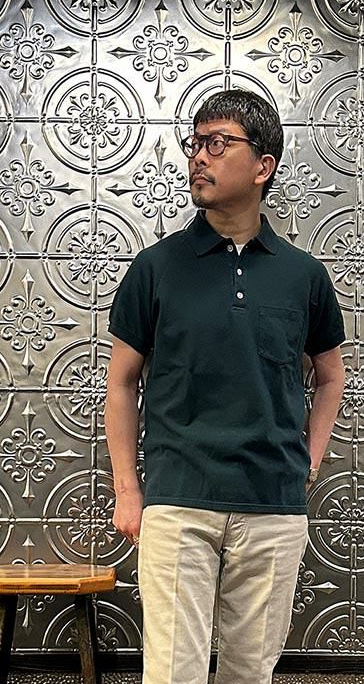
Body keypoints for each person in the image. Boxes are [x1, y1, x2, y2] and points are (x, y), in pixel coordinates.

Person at [105, 89, 345, 684]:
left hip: (272, 504)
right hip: (178, 499)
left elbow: (331, 376)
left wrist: (310, 462)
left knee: (250, 671)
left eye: (218, 144)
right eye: (195, 143)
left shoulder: (304, 275)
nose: (198, 157)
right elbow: (121, 384)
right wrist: (128, 489)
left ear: (263, 166)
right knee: (172, 672)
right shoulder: (155, 268)